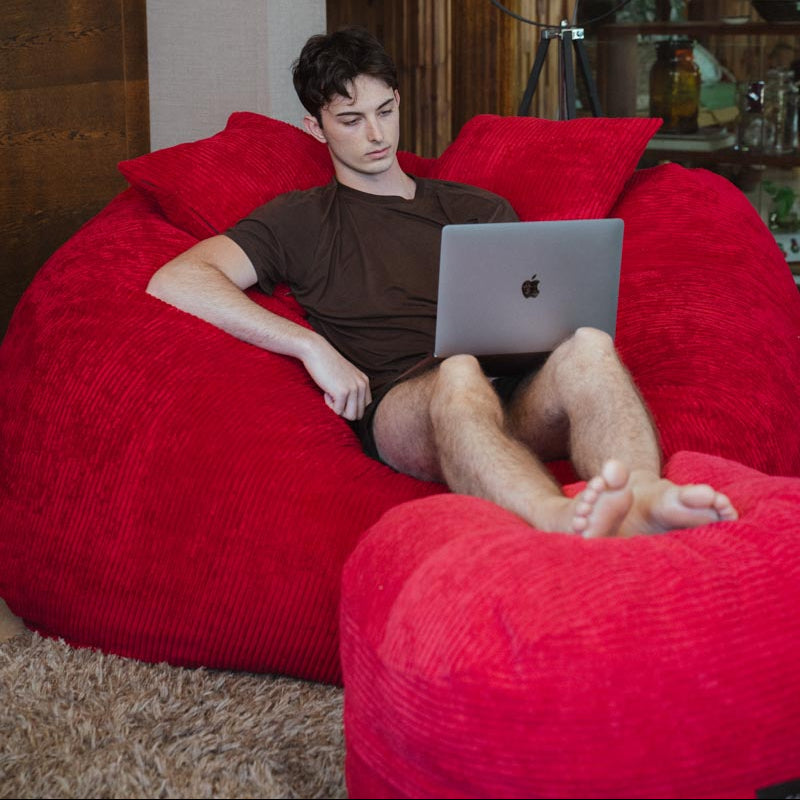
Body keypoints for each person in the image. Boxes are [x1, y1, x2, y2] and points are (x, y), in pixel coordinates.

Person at [147, 27, 738, 538]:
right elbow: (179, 278)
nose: (376, 134)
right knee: (458, 372)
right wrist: (310, 346)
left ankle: (642, 499)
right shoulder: (299, 219)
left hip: (514, 391)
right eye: (351, 120)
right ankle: (557, 519)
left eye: (384, 111)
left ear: (399, 102)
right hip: (406, 402)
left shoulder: (477, 207)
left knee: (590, 347)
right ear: (316, 127)